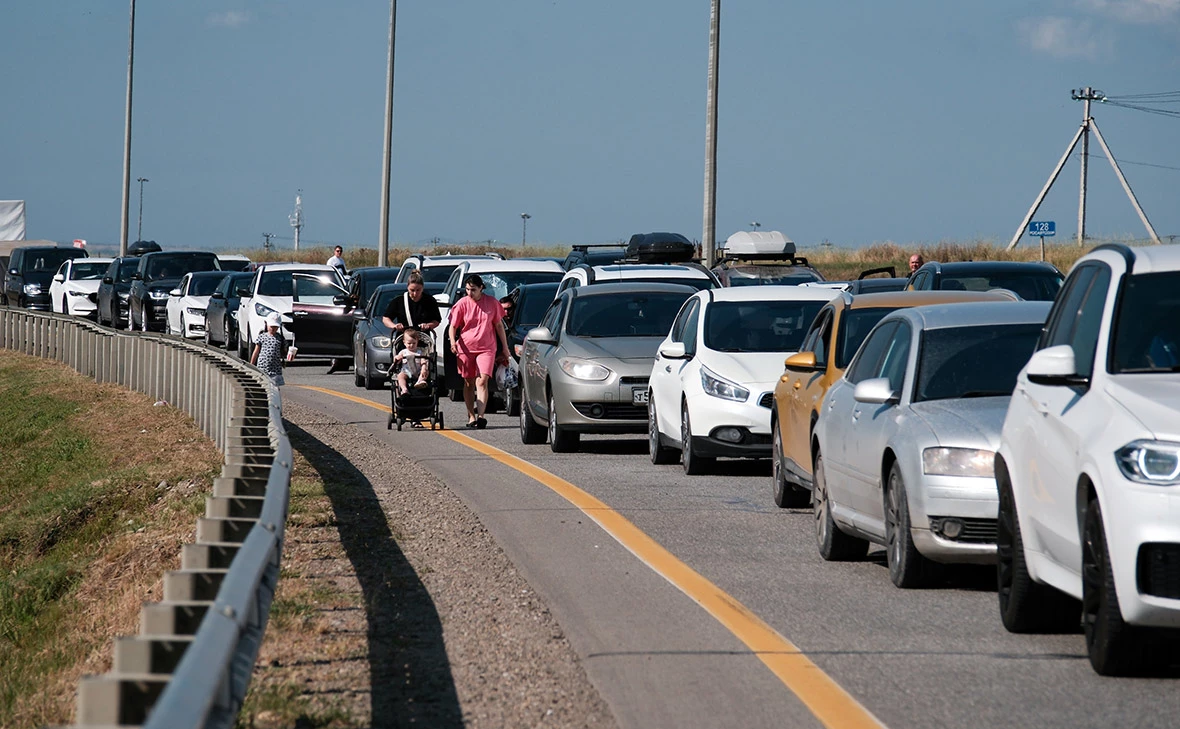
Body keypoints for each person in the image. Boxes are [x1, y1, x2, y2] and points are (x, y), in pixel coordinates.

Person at [448, 274, 510, 429]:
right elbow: (453, 326)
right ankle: (471, 416)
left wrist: (505, 347)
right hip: (466, 348)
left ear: (481, 288)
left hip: (487, 347)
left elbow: (499, 326)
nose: (470, 293)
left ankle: (481, 416)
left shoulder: (492, 303)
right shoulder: (462, 304)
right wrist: (452, 342)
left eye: (473, 290)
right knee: (468, 382)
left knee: (482, 380)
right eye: (467, 289)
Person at [382, 271, 442, 335]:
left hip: (423, 339)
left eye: (418, 290)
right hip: (404, 339)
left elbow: (436, 320)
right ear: (407, 287)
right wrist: (394, 326)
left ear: (423, 287)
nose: (415, 293)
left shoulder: (430, 301)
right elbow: (386, 318)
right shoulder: (399, 301)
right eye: (412, 290)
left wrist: (428, 325)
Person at [250, 313, 286, 386]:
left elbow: (282, 351)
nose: (273, 329)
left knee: (274, 386)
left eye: (275, 327)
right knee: (263, 384)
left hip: (275, 368)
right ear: (266, 324)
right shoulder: (262, 337)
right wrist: (252, 364)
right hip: (263, 366)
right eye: (271, 326)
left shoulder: (280, 338)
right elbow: (256, 351)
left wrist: (284, 358)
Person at [392, 329, 430, 396]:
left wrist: (424, 369)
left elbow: (423, 362)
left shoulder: (420, 352)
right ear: (404, 342)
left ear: (417, 342)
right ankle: (404, 389)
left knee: (426, 372)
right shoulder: (403, 352)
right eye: (409, 343)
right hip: (406, 372)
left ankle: (420, 381)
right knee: (400, 376)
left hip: (418, 372)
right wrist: (398, 359)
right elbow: (397, 362)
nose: (411, 345)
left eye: (414, 343)